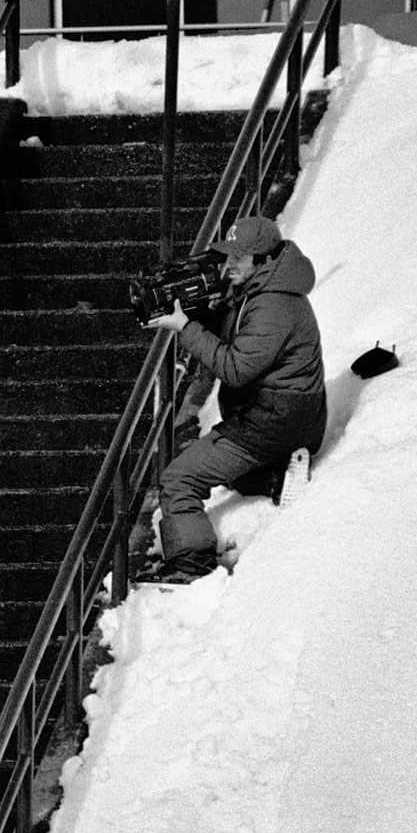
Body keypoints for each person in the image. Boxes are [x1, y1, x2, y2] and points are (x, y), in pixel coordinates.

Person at [144, 214, 326, 583]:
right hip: (285, 416)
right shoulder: (261, 291)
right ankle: (274, 477)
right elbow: (235, 334)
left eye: (238, 259)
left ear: (263, 260)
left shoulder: (274, 305)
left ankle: (191, 567)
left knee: (179, 478)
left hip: (272, 418)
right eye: (227, 256)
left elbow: (236, 368)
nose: (228, 267)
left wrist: (185, 328)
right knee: (235, 478)